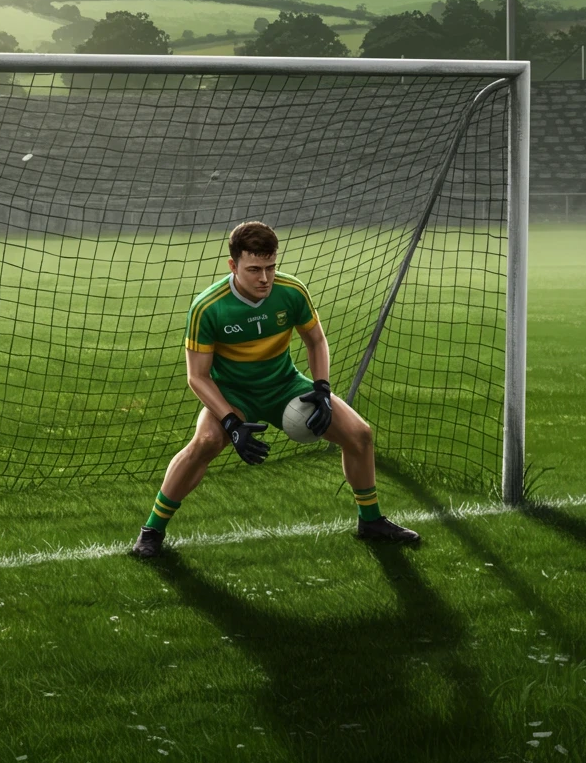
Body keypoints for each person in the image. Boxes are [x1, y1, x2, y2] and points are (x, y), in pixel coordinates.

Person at [131, 220, 421, 558]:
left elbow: (316, 340)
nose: (265, 278)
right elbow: (198, 377)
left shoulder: (291, 291)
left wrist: (322, 389)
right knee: (205, 443)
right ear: (233, 265)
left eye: (270, 267)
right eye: (254, 269)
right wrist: (229, 422)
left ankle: (370, 521)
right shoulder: (208, 307)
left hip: (285, 385)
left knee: (360, 435)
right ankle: (151, 531)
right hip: (234, 394)